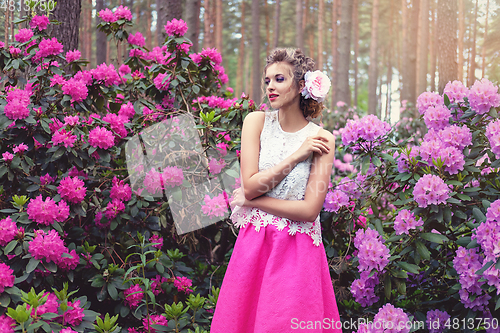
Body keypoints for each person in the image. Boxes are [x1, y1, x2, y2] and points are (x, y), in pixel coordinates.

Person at [211, 48, 342, 332]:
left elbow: (308, 211)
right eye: (267, 80)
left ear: (300, 85)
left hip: (298, 252)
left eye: (279, 79)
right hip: (254, 247)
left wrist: (254, 203)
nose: (270, 86)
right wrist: (297, 156)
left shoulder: (322, 139)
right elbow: (250, 184)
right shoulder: (255, 122)